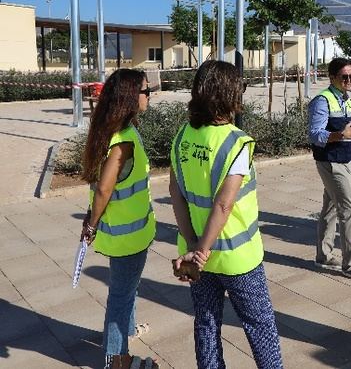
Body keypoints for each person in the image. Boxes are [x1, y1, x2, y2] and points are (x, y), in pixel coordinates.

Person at [169, 60, 282, 369]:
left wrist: (193, 247)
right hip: (236, 255)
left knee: (206, 323)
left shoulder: (182, 137)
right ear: (228, 94)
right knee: (260, 326)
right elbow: (223, 204)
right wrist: (203, 250)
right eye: (240, 89)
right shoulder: (236, 142)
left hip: (196, 255)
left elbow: (175, 193)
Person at [79, 69, 158, 369]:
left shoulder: (113, 131)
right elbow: (103, 188)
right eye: (146, 91)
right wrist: (90, 224)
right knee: (121, 297)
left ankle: (126, 331)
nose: (149, 96)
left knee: (126, 288)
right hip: (128, 237)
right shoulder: (122, 141)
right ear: (129, 98)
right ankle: (117, 360)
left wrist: (91, 220)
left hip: (128, 234)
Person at [307, 57, 351, 282]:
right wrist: (339, 135)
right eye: (344, 76)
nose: (349, 80)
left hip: (344, 162)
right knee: (350, 211)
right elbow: (314, 135)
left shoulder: (346, 100)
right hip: (330, 162)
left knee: (331, 209)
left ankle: (323, 256)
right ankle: (350, 264)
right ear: (332, 77)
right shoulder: (322, 101)